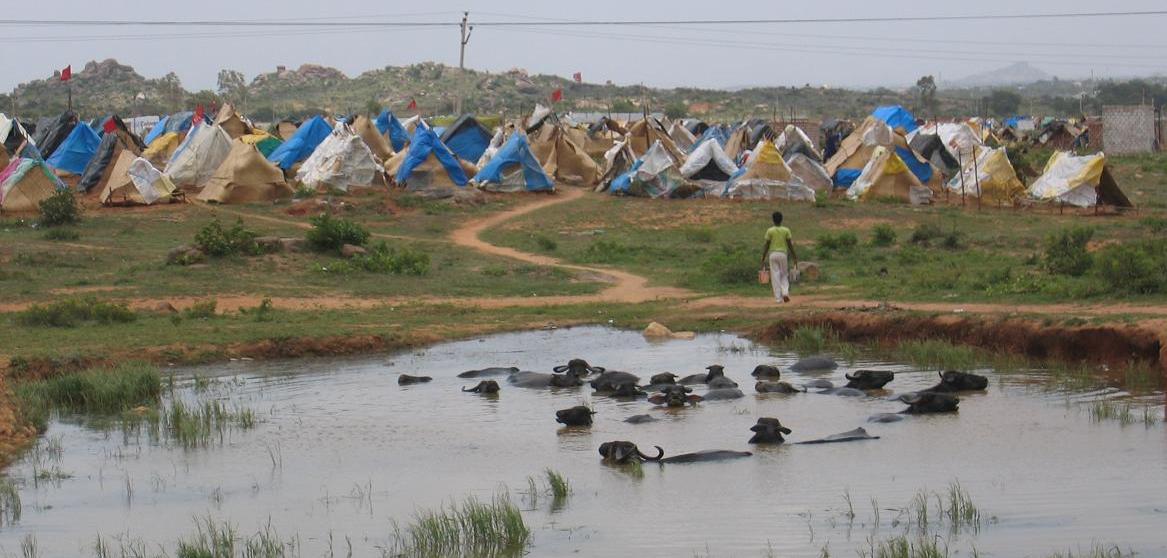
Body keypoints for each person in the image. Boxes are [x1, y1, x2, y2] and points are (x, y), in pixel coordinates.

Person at [760, 211, 798, 303]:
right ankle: (785, 293)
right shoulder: (786, 230)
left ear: (773, 220)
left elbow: (767, 245)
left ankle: (778, 298)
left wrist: (763, 256)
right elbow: (790, 245)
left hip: (773, 255)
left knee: (775, 276)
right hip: (783, 254)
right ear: (782, 219)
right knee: (784, 274)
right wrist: (794, 256)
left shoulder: (770, 231)